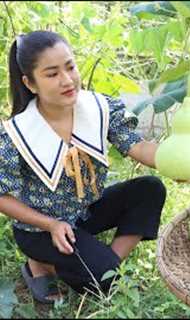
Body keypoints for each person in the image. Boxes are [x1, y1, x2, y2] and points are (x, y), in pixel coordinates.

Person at [0, 30, 167, 304]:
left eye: (70, 67)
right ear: (30, 84)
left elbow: (136, 146)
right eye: (52, 74)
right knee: (106, 283)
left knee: (150, 189)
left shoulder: (99, 108)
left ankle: (104, 266)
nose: (67, 80)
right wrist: (51, 224)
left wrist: (175, 161)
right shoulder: (15, 133)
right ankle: (39, 264)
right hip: (42, 231)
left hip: (86, 213)